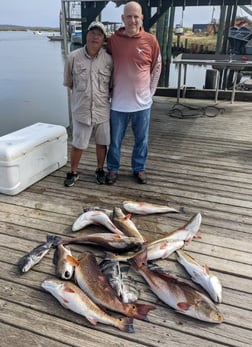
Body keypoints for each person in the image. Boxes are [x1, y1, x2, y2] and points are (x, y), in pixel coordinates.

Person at [106, 1, 162, 185]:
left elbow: (157, 67)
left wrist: (150, 93)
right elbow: (105, 66)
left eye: (136, 16)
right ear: (122, 18)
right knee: (114, 141)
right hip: (118, 104)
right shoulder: (113, 41)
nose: (132, 20)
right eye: (129, 16)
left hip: (142, 104)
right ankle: (112, 169)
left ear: (142, 18)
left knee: (142, 139)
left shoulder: (151, 40)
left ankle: (139, 168)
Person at [63, 21, 113, 187]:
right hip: (81, 111)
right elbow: (69, 83)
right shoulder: (72, 57)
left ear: (104, 39)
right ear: (86, 35)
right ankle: (73, 172)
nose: (95, 37)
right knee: (78, 144)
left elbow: (111, 85)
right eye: (92, 33)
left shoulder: (109, 60)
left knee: (102, 143)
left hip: (102, 111)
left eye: (99, 34)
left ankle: (99, 169)